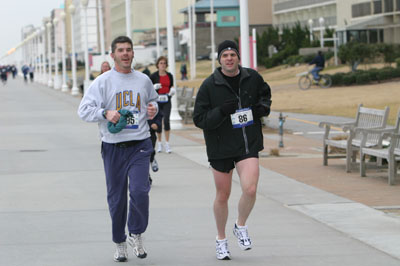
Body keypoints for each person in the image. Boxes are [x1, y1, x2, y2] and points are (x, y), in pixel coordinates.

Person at [77, 36, 159, 263]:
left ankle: (136, 232)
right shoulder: (102, 82)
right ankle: (119, 242)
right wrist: (105, 113)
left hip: (140, 144)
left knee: (141, 191)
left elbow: (154, 101)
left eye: (129, 50)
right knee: (117, 199)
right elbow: (83, 110)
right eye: (120, 50)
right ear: (112, 55)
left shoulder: (143, 80)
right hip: (113, 148)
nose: (125, 54)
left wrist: (153, 109)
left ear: (133, 54)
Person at [193, 40, 272, 260]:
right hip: (221, 147)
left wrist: (262, 108)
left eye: (232, 54)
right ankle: (221, 239)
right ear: (219, 59)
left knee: (250, 189)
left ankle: (240, 225)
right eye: (225, 55)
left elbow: (265, 95)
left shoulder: (252, 78)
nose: (229, 58)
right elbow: (199, 119)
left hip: (247, 143)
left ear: (238, 57)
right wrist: (220, 111)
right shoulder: (210, 85)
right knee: (223, 195)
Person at [150, 56, 176, 154]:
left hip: (167, 100)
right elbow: (148, 88)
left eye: (164, 63)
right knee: (158, 122)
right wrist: (154, 87)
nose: (163, 65)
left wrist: (172, 91)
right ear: (157, 65)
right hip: (157, 100)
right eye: (161, 63)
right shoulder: (153, 76)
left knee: (166, 120)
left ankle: (167, 143)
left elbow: (171, 86)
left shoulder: (169, 75)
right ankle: (160, 143)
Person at [147, 111, 163, 185]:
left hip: (150, 133)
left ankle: (152, 157)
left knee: (147, 155)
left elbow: (159, 114)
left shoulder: (151, 101)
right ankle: (145, 176)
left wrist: (157, 124)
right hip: (133, 134)